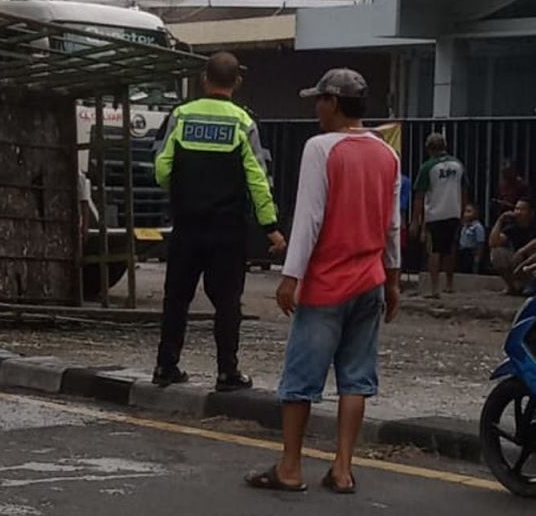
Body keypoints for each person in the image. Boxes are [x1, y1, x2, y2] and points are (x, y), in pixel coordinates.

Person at [246, 68, 401, 495]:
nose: (315, 107)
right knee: (356, 378)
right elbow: (392, 226)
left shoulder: (320, 148)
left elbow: (310, 219)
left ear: (333, 103)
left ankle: (290, 467)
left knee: (300, 380)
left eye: (319, 100)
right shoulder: (387, 154)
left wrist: (289, 277)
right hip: (370, 280)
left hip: (327, 284)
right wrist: (393, 280)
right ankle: (343, 468)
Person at [153, 52, 286, 392]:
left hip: (187, 224)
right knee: (227, 301)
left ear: (203, 79)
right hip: (227, 229)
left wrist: (182, 192)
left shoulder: (181, 116)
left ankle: (166, 366)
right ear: (237, 82)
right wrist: (270, 227)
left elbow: (162, 167)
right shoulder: (244, 122)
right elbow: (258, 178)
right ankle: (227, 372)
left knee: (177, 298)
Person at [412, 133, 468, 297]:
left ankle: (434, 288)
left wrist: (416, 220)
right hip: (454, 211)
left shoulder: (428, 167)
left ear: (428, 149)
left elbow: (419, 196)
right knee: (450, 249)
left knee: (434, 250)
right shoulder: (458, 165)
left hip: (435, 213)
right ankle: (449, 285)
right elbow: (464, 190)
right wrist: (462, 211)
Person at [490, 196, 536, 295]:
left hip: (531, 261)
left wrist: (522, 250)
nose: (518, 212)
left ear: (531, 212)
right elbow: (493, 243)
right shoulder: (512, 227)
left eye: (522, 209)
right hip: (519, 262)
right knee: (497, 253)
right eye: (516, 209)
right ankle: (512, 287)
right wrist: (500, 220)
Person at [458, 203, 487, 275]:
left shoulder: (478, 227)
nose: (466, 214)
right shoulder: (464, 226)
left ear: (475, 213)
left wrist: (477, 258)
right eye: (465, 211)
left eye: (469, 211)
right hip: (462, 252)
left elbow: (480, 243)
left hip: (471, 252)